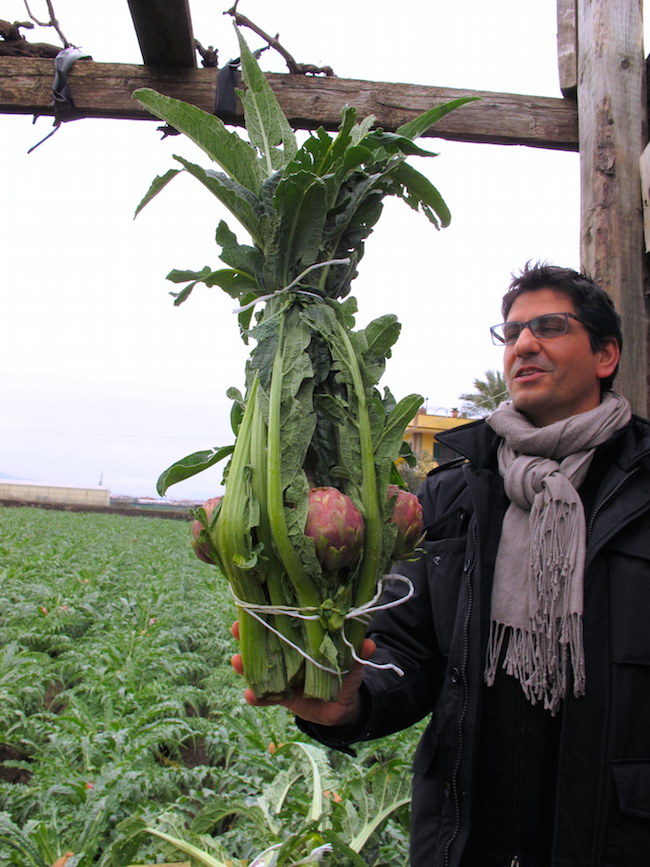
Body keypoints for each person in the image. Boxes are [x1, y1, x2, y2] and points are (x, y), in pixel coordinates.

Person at [233, 262, 650, 866]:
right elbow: (409, 652)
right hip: (466, 837)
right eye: (510, 334)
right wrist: (350, 701)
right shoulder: (451, 491)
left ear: (606, 354)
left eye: (549, 326)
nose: (523, 345)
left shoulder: (640, 485)